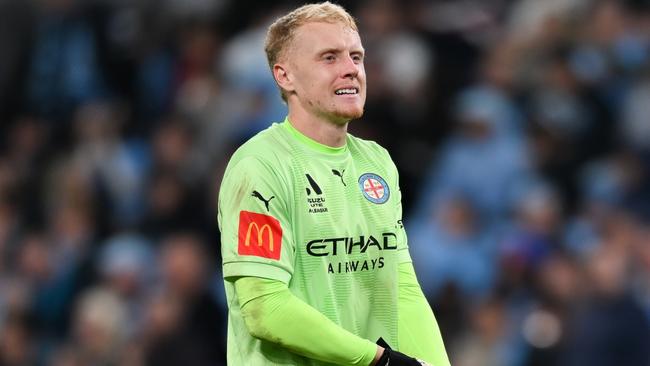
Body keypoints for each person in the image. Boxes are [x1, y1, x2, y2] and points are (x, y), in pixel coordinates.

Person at [217, 3, 450, 365]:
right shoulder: (260, 166)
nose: (351, 70)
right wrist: (376, 360)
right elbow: (265, 306)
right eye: (330, 57)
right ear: (285, 76)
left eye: (356, 57)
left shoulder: (377, 162)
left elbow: (400, 288)